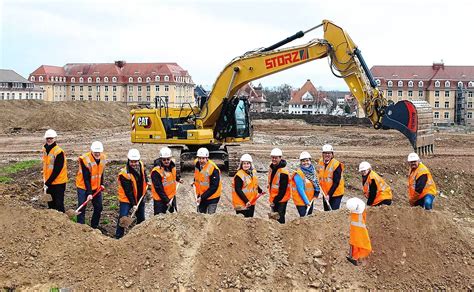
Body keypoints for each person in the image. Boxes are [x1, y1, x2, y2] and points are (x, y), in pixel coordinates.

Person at [115, 149, 149, 239]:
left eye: (135, 161)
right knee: (123, 218)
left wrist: (147, 181)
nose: (134, 163)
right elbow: (128, 191)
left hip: (140, 196)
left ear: (138, 160)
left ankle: (139, 237)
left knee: (141, 218)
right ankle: (118, 237)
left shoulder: (140, 164)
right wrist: (134, 204)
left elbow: (143, 174)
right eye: (132, 162)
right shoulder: (124, 174)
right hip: (126, 198)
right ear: (128, 160)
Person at [75, 141, 106, 228]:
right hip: (83, 186)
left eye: (98, 152)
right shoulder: (85, 159)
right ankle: (80, 227)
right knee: (82, 207)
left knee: (99, 207)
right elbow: (86, 178)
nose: (97, 154)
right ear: (91, 151)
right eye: (95, 152)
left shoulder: (103, 157)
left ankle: (94, 227)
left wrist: (102, 183)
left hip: (96, 186)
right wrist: (89, 193)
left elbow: (101, 171)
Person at [41, 129, 68, 212]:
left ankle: (62, 222)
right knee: (51, 204)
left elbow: (57, 169)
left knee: (59, 204)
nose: (49, 140)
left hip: (58, 182)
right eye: (47, 138)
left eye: (51, 138)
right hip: (49, 181)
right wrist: (46, 181)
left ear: (55, 138)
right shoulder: (45, 149)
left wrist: (48, 182)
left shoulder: (59, 151)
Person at [151, 147, 183, 215]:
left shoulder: (172, 166)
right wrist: (167, 201)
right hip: (160, 200)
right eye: (164, 159)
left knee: (170, 219)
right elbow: (158, 188)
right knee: (159, 220)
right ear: (160, 159)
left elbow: (172, 175)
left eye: (168, 159)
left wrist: (178, 179)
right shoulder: (156, 171)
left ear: (170, 158)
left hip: (171, 197)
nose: (166, 161)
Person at [291, 151, 320, 217]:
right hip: (301, 201)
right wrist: (307, 202)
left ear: (310, 161)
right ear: (300, 162)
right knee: (304, 219)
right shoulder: (299, 174)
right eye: (303, 161)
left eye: (307, 160)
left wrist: (315, 194)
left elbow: (316, 184)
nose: (305, 162)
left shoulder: (313, 172)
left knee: (309, 219)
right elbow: (300, 189)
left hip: (310, 199)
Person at [193, 147, 222, 214]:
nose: (201, 160)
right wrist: (194, 181)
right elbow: (198, 175)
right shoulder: (197, 164)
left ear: (207, 158)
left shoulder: (213, 169)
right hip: (202, 195)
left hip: (212, 197)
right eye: (199, 158)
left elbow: (214, 187)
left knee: (210, 218)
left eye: (203, 158)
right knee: (200, 216)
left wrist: (202, 197)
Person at [316, 144, 344, 211]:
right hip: (325, 192)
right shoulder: (320, 162)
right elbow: (319, 174)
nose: (327, 155)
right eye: (325, 153)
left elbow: (336, 182)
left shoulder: (336, 164)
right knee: (327, 213)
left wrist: (329, 195)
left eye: (329, 153)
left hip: (336, 193)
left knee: (333, 213)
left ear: (332, 154)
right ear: (322, 154)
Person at [346, 197, 372, 266]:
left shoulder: (356, 214)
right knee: (356, 242)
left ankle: (356, 257)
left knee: (356, 241)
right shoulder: (358, 215)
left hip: (356, 232)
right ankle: (355, 257)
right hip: (356, 233)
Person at [268, 148, 291, 224]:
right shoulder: (272, 167)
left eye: (276, 158)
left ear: (280, 158)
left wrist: (275, 201)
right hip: (275, 197)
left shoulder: (283, 172)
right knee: (274, 218)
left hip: (282, 199)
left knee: (280, 217)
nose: (274, 159)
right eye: (272, 157)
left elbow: (282, 190)